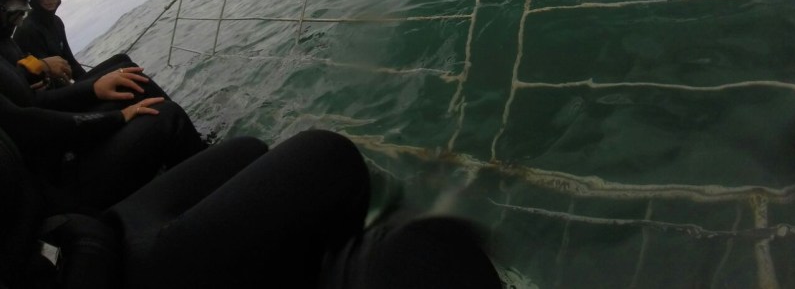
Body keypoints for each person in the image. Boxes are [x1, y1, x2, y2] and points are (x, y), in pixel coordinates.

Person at [0, 125, 503, 289]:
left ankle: (301, 251)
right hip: (92, 274)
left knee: (247, 148)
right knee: (325, 154)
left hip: (76, 231)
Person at [0, 0, 206, 214]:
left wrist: (94, 88)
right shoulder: (26, 31)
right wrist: (111, 113)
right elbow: (29, 117)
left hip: (56, 120)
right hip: (58, 169)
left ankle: (183, 145)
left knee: (124, 66)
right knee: (161, 109)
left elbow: (55, 77)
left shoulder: (15, 38)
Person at [13, 0, 87, 85]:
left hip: (64, 87)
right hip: (48, 91)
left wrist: (94, 83)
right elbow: (52, 79)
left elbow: (72, 63)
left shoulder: (57, 22)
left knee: (116, 63)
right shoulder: (27, 30)